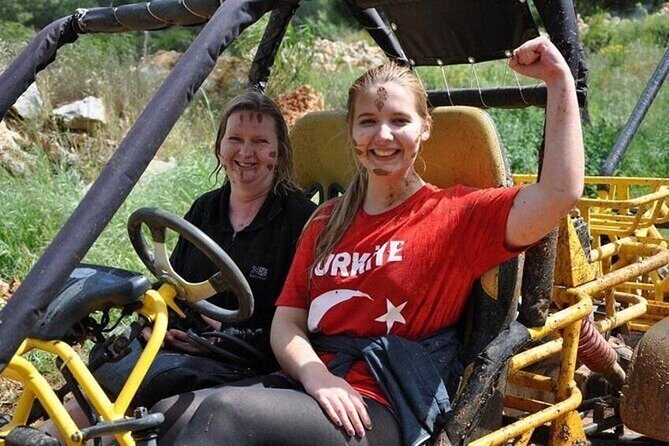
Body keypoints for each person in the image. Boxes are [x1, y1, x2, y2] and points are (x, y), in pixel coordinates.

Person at [153, 36, 584, 446]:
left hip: (380, 402)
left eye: (399, 121)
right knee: (173, 412)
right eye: (368, 122)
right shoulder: (325, 221)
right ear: (352, 133)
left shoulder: (457, 214)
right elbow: (287, 323)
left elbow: (559, 194)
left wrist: (559, 81)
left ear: (424, 129)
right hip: (312, 386)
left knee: (224, 412)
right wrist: (315, 377)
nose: (382, 136)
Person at [43, 89, 316, 440]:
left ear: (279, 153)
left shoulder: (299, 220)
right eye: (235, 139)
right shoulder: (206, 209)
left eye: (261, 142)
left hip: (246, 358)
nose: (247, 152)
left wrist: (221, 339)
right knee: (97, 379)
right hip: (183, 344)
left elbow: (298, 323)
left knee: (148, 406)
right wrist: (156, 323)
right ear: (220, 147)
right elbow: (173, 284)